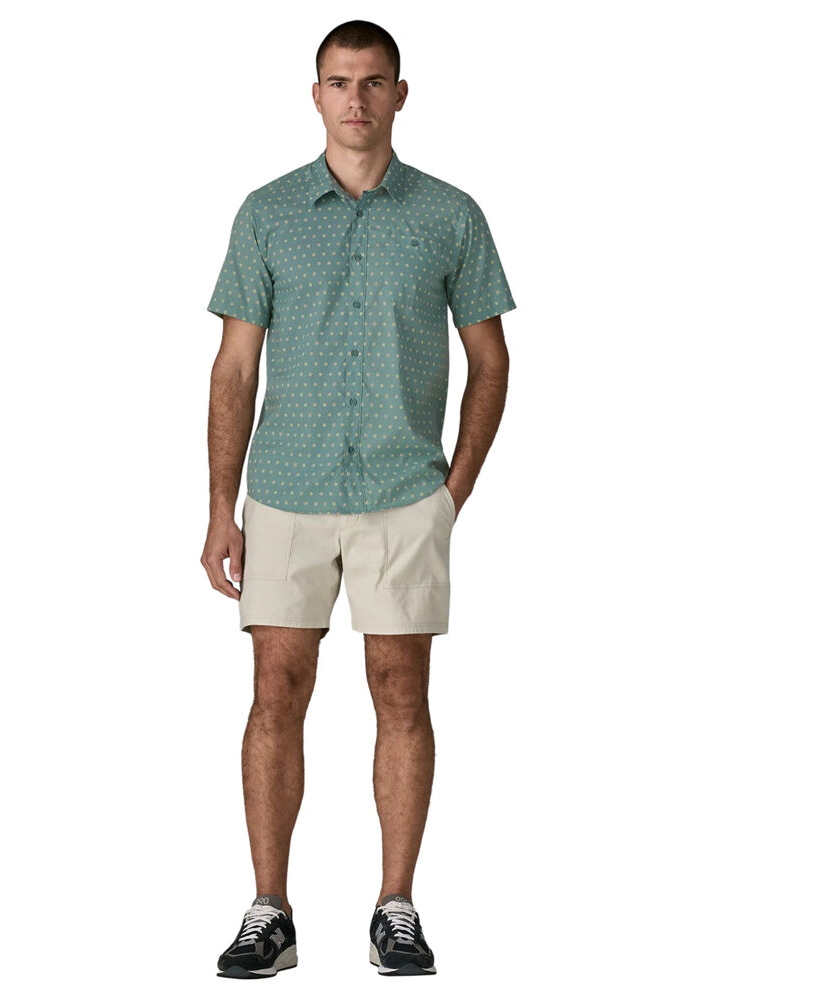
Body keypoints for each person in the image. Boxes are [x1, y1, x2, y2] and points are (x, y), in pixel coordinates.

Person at [202, 20, 516, 979]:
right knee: (275, 694)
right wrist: (219, 508)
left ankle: (396, 907)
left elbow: (491, 359)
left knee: (402, 693)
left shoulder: (451, 215)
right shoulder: (266, 214)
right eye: (339, 82)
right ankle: (270, 911)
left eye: (373, 81)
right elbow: (234, 368)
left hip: (403, 492)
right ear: (316, 95)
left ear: (400, 94)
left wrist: (452, 491)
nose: (356, 99)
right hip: (285, 491)